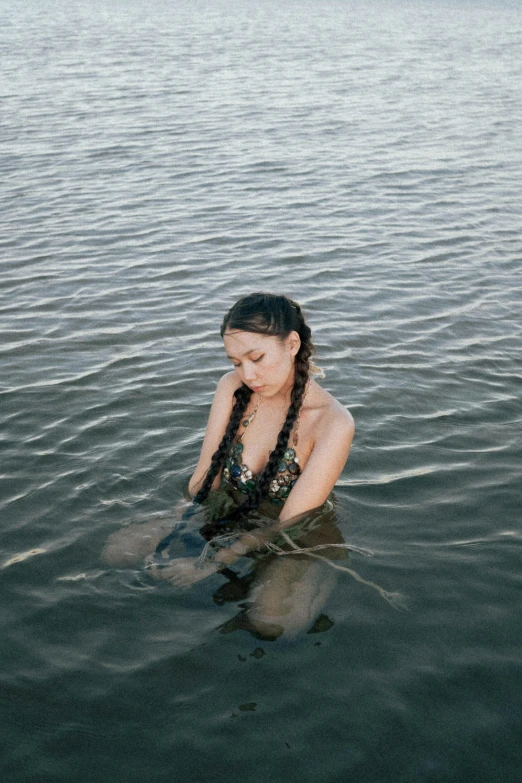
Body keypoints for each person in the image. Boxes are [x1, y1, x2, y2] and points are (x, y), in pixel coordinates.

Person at [103, 293, 355, 639]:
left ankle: (312, 579)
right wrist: (180, 526)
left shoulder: (334, 423)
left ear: (292, 343)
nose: (247, 373)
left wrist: (210, 564)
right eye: (236, 362)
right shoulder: (232, 387)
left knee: (272, 624)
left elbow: (291, 522)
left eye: (257, 357)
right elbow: (206, 476)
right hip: (228, 510)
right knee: (116, 551)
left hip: (296, 534)